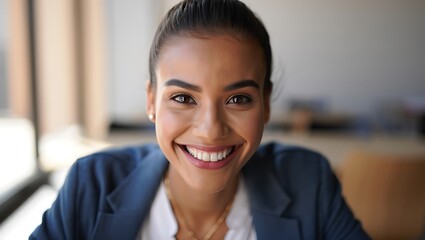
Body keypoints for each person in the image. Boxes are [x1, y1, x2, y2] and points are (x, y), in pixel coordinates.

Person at [30, 0, 370, 239]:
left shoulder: (309, 182)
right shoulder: (90, 185)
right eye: (182, 98)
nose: (210, 130)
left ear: (266, 104)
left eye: (238, 99)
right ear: (151, 101)